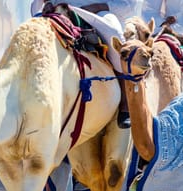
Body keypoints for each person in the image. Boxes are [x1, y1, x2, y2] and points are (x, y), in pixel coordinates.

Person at [31, 0, 138, 128]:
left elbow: (129, 6)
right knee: (31, 33)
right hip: (60, 10)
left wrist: (98, 6)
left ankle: (125, 102)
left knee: (113, 34)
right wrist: (48, 3)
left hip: (98, 12)